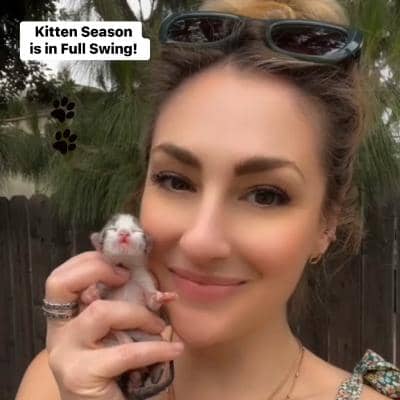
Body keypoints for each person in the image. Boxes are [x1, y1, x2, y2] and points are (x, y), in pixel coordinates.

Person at [15, 0, 400, 399]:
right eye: (176, 181)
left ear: (326, 222)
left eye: (266, 195)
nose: (201, 241)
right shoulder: (57, 382)